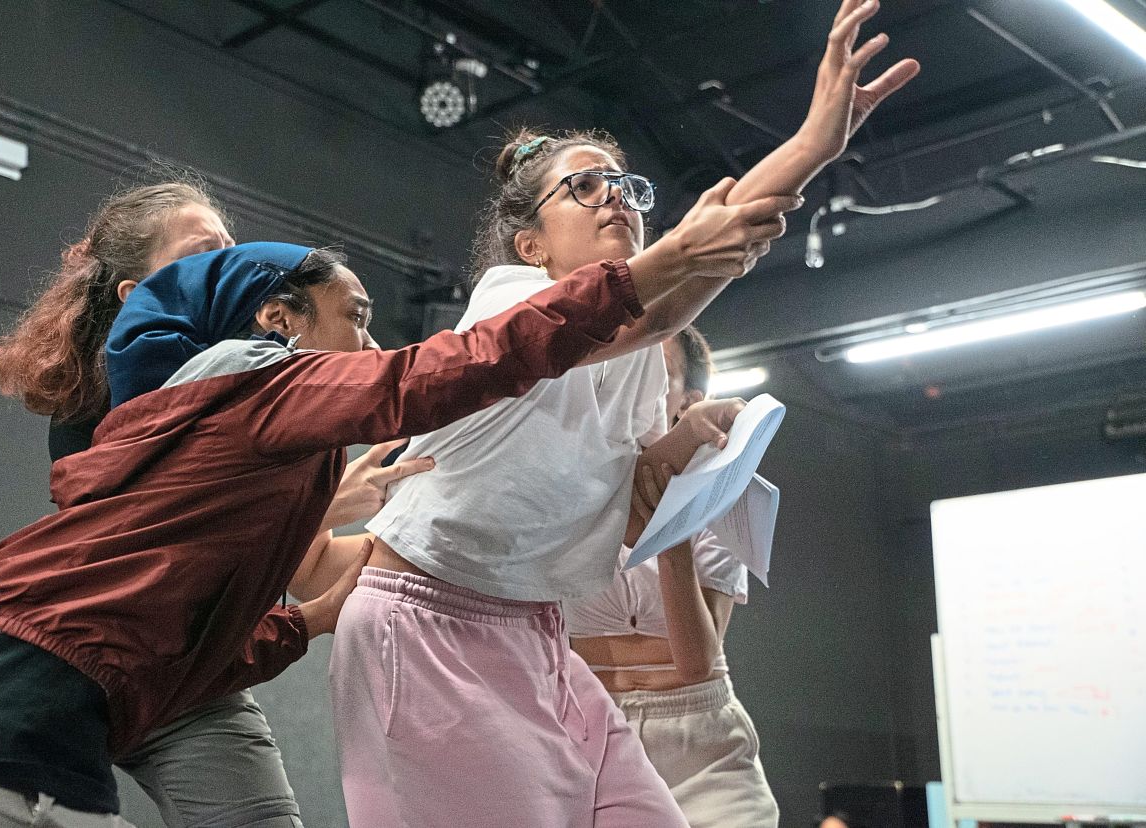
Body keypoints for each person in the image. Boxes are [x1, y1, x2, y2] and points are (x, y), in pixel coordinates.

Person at [0, 203, 746, 826]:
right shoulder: (251, 381)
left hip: (146, 673)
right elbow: (444, 369)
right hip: (27, 694)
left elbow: (199, 622)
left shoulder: (264, 416)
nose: (241, 262)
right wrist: (652, 270)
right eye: (214, 258)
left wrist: (313, 606)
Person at [332, 2, 919, 825]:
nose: (616, 198)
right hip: (427, 625)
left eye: (625, 186)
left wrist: (675, 446)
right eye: (583, 188)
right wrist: (809, 146)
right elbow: (657, 305)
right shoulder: (509, 299)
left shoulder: (642, 357)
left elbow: (658, 340)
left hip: (533, 635)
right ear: (529, 244)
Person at [0, 179, 429, 828]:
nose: (232, 266)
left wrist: (453, 552)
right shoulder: (123, 414)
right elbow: (191, 538)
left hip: (198, 672)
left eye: (232, 249)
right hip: (102, 659)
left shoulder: (254, 376)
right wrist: (326, 504)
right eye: (201, 254)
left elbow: (300, 566)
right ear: (139, 296)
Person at [566, 325, 778, 828]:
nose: (632, 383)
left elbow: (697, 662)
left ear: (690, 401)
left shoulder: (723, 493)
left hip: (699, 737)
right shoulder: (566, 486)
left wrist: (672, 542)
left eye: (655, 372)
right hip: (587, 731)